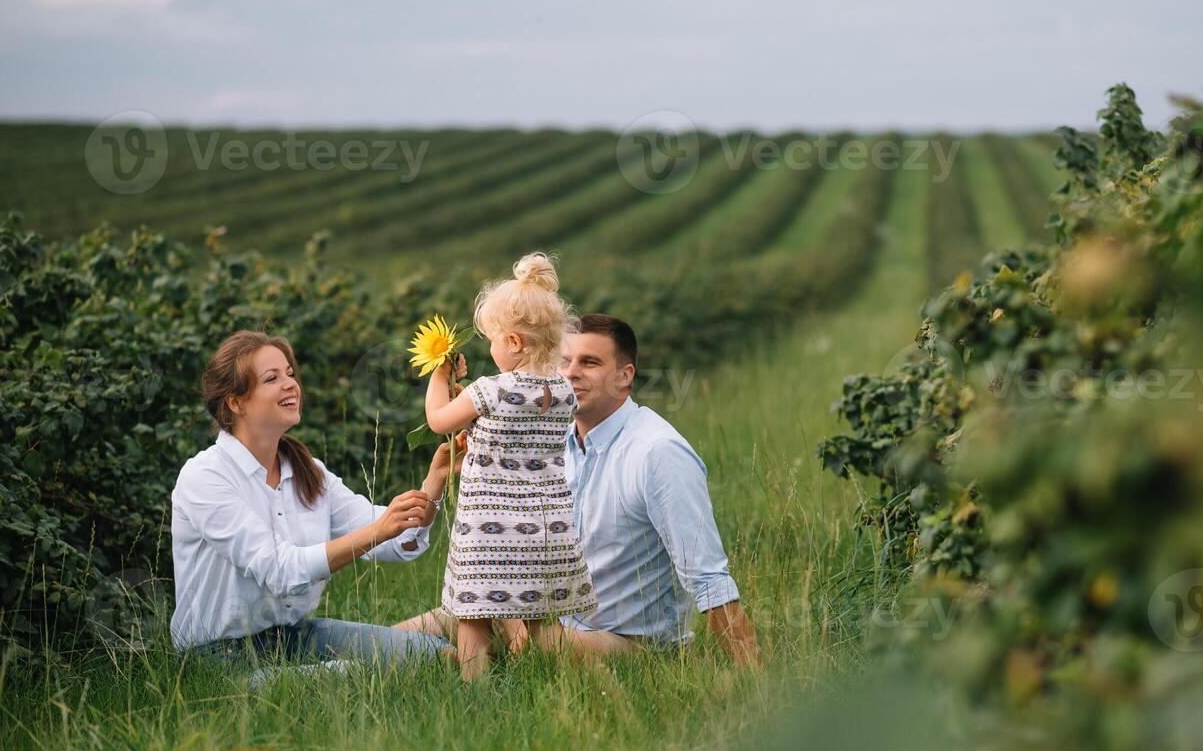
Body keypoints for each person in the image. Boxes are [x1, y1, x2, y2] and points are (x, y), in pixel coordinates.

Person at [399, 314, 761, 666]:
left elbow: (708, 576)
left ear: (625, 377)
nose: (571, 372)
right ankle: (349, 660)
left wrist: (754, 682)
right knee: (446, 617)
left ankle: (442, 668)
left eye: (589, 362)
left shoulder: (656, 451)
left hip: (628, 643)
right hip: (546, 618)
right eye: (563, 360)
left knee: (517, 644)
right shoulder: (548, 440)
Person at [170, 330, 459, 678]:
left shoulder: (308, 471)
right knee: (360, 675)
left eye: (290, 373)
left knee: (443, 659)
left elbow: (396, 542)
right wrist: (377, 530)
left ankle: (436, 627)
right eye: (271, 378)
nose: (290, 384)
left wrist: (434, 481)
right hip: (218, 656)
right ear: (236, 402)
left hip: (294, 637)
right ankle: (429, 627)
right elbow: (280, 570)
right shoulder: (205, 476)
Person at [422, 253, 597, 679]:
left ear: (514, 343)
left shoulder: (489, 390)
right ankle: (588, 687)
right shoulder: (562, 391)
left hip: (490, 534)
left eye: (493, 340)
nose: (490, 348)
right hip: (545, 530)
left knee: (473, 619)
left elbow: (438, 420)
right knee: (544, 627)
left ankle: (475, 698)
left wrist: (439, 379)